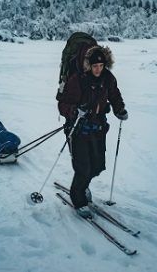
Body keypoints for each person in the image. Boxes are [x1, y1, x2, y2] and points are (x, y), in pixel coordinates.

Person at [57, 45, 128, 219]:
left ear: (105, 65)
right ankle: (79, 200)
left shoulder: (108, 78)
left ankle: (84, 185)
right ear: (89, 65)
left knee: (97, 166)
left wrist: (120, 110)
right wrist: (74, 111)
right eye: (95, 66)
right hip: (78, 130)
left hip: (98, 130)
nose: (98, 69)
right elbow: (63, 104)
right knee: (83, 168)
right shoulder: (78, 80)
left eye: (101, 66)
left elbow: (115, 95)